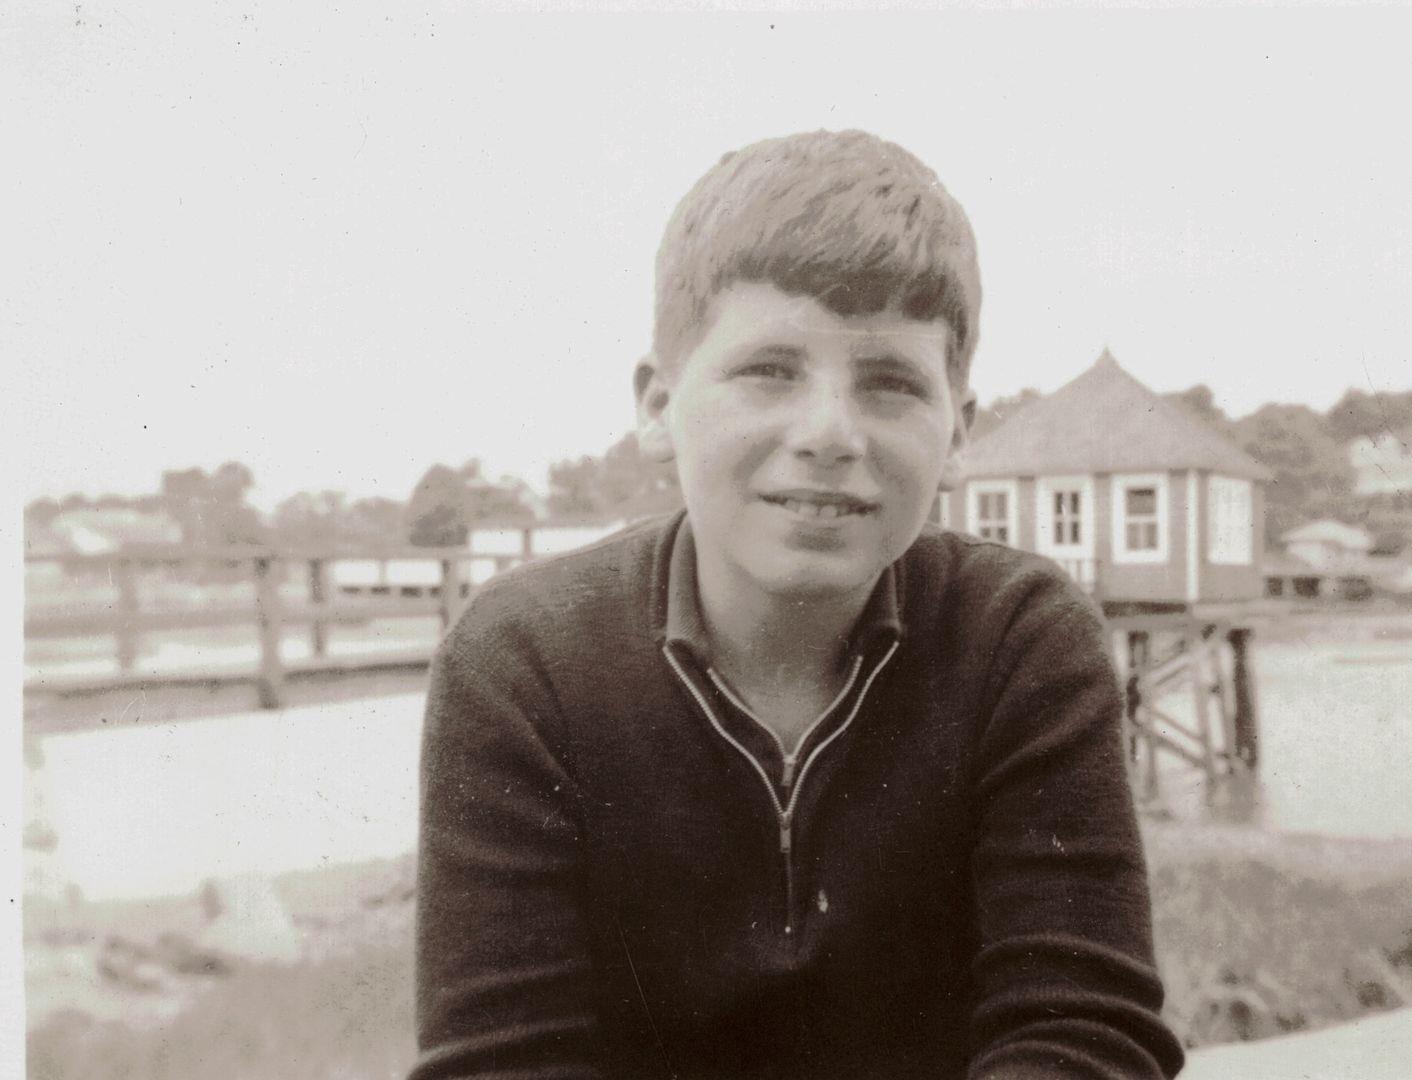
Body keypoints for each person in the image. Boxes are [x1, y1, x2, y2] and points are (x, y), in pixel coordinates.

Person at [411, 129, 1184, 1079]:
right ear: (658, 406)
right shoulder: (523, 660)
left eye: (891, 383)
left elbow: (1083, 1033)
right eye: (770, 370)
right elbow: (501, 1062)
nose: (829, 433)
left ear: (961, 432)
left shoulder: (1020, 640)